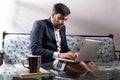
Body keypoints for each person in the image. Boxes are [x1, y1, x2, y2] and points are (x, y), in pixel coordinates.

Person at [30, 3, 98, 75]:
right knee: (82, 66)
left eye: (65, 19)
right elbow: (35, 50)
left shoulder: (62, 27)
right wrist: (59, 55)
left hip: (61, 58)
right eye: (60, 18)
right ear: (53, 15)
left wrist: (73, 54)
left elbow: (65, 48)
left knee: (90, 63)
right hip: (48, 61)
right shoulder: (40, 24)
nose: (63, 22)